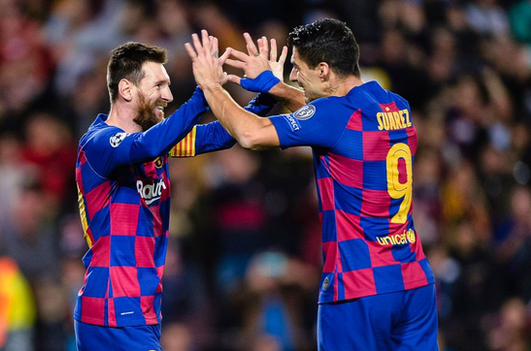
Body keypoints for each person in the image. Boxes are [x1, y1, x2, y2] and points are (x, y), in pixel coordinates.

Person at [185, 20, 438, 350]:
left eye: (297, 69)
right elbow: (335, 124)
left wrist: (211, 87)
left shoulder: (333, 116)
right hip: (413, 280)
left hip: (358, 285)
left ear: (323, 70)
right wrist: (277, 89)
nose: (293, 77)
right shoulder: (396, 106)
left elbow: (250, 133)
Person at [74, 41, 281, 350]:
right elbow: (143, 147)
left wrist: (267, 96)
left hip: (136, 308)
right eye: (159, 85)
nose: (168, 96)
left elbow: (220, 136)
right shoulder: (99, 144)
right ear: (127, 90)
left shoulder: (156, 140)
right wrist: (203, 93)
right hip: (113, 305)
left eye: (169, 85)